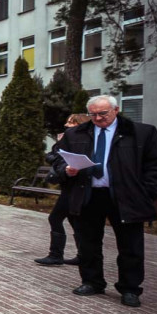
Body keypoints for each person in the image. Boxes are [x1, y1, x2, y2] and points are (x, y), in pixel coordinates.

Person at [51, 95, 157, 308]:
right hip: (88, 194)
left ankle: (130, 289)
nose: (98, 118)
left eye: (103, 113)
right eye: (93, 114)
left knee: (130, 245)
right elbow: (58, 160)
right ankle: (92, 281)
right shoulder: (76, 133)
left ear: (116, 110)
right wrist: (66, 170)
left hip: (125, 196)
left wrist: (146, 193)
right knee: (88, 242)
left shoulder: (141, 133)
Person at [34, 113, 90, 266]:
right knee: (74, 221)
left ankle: (56, 255)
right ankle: (82, 255)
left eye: (71, 122)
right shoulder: (65, 140)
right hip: (68, 185)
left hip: (76, 187)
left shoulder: (85, 142)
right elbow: (51, 156)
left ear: (80, 125)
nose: (66, 125)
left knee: (56, 218)